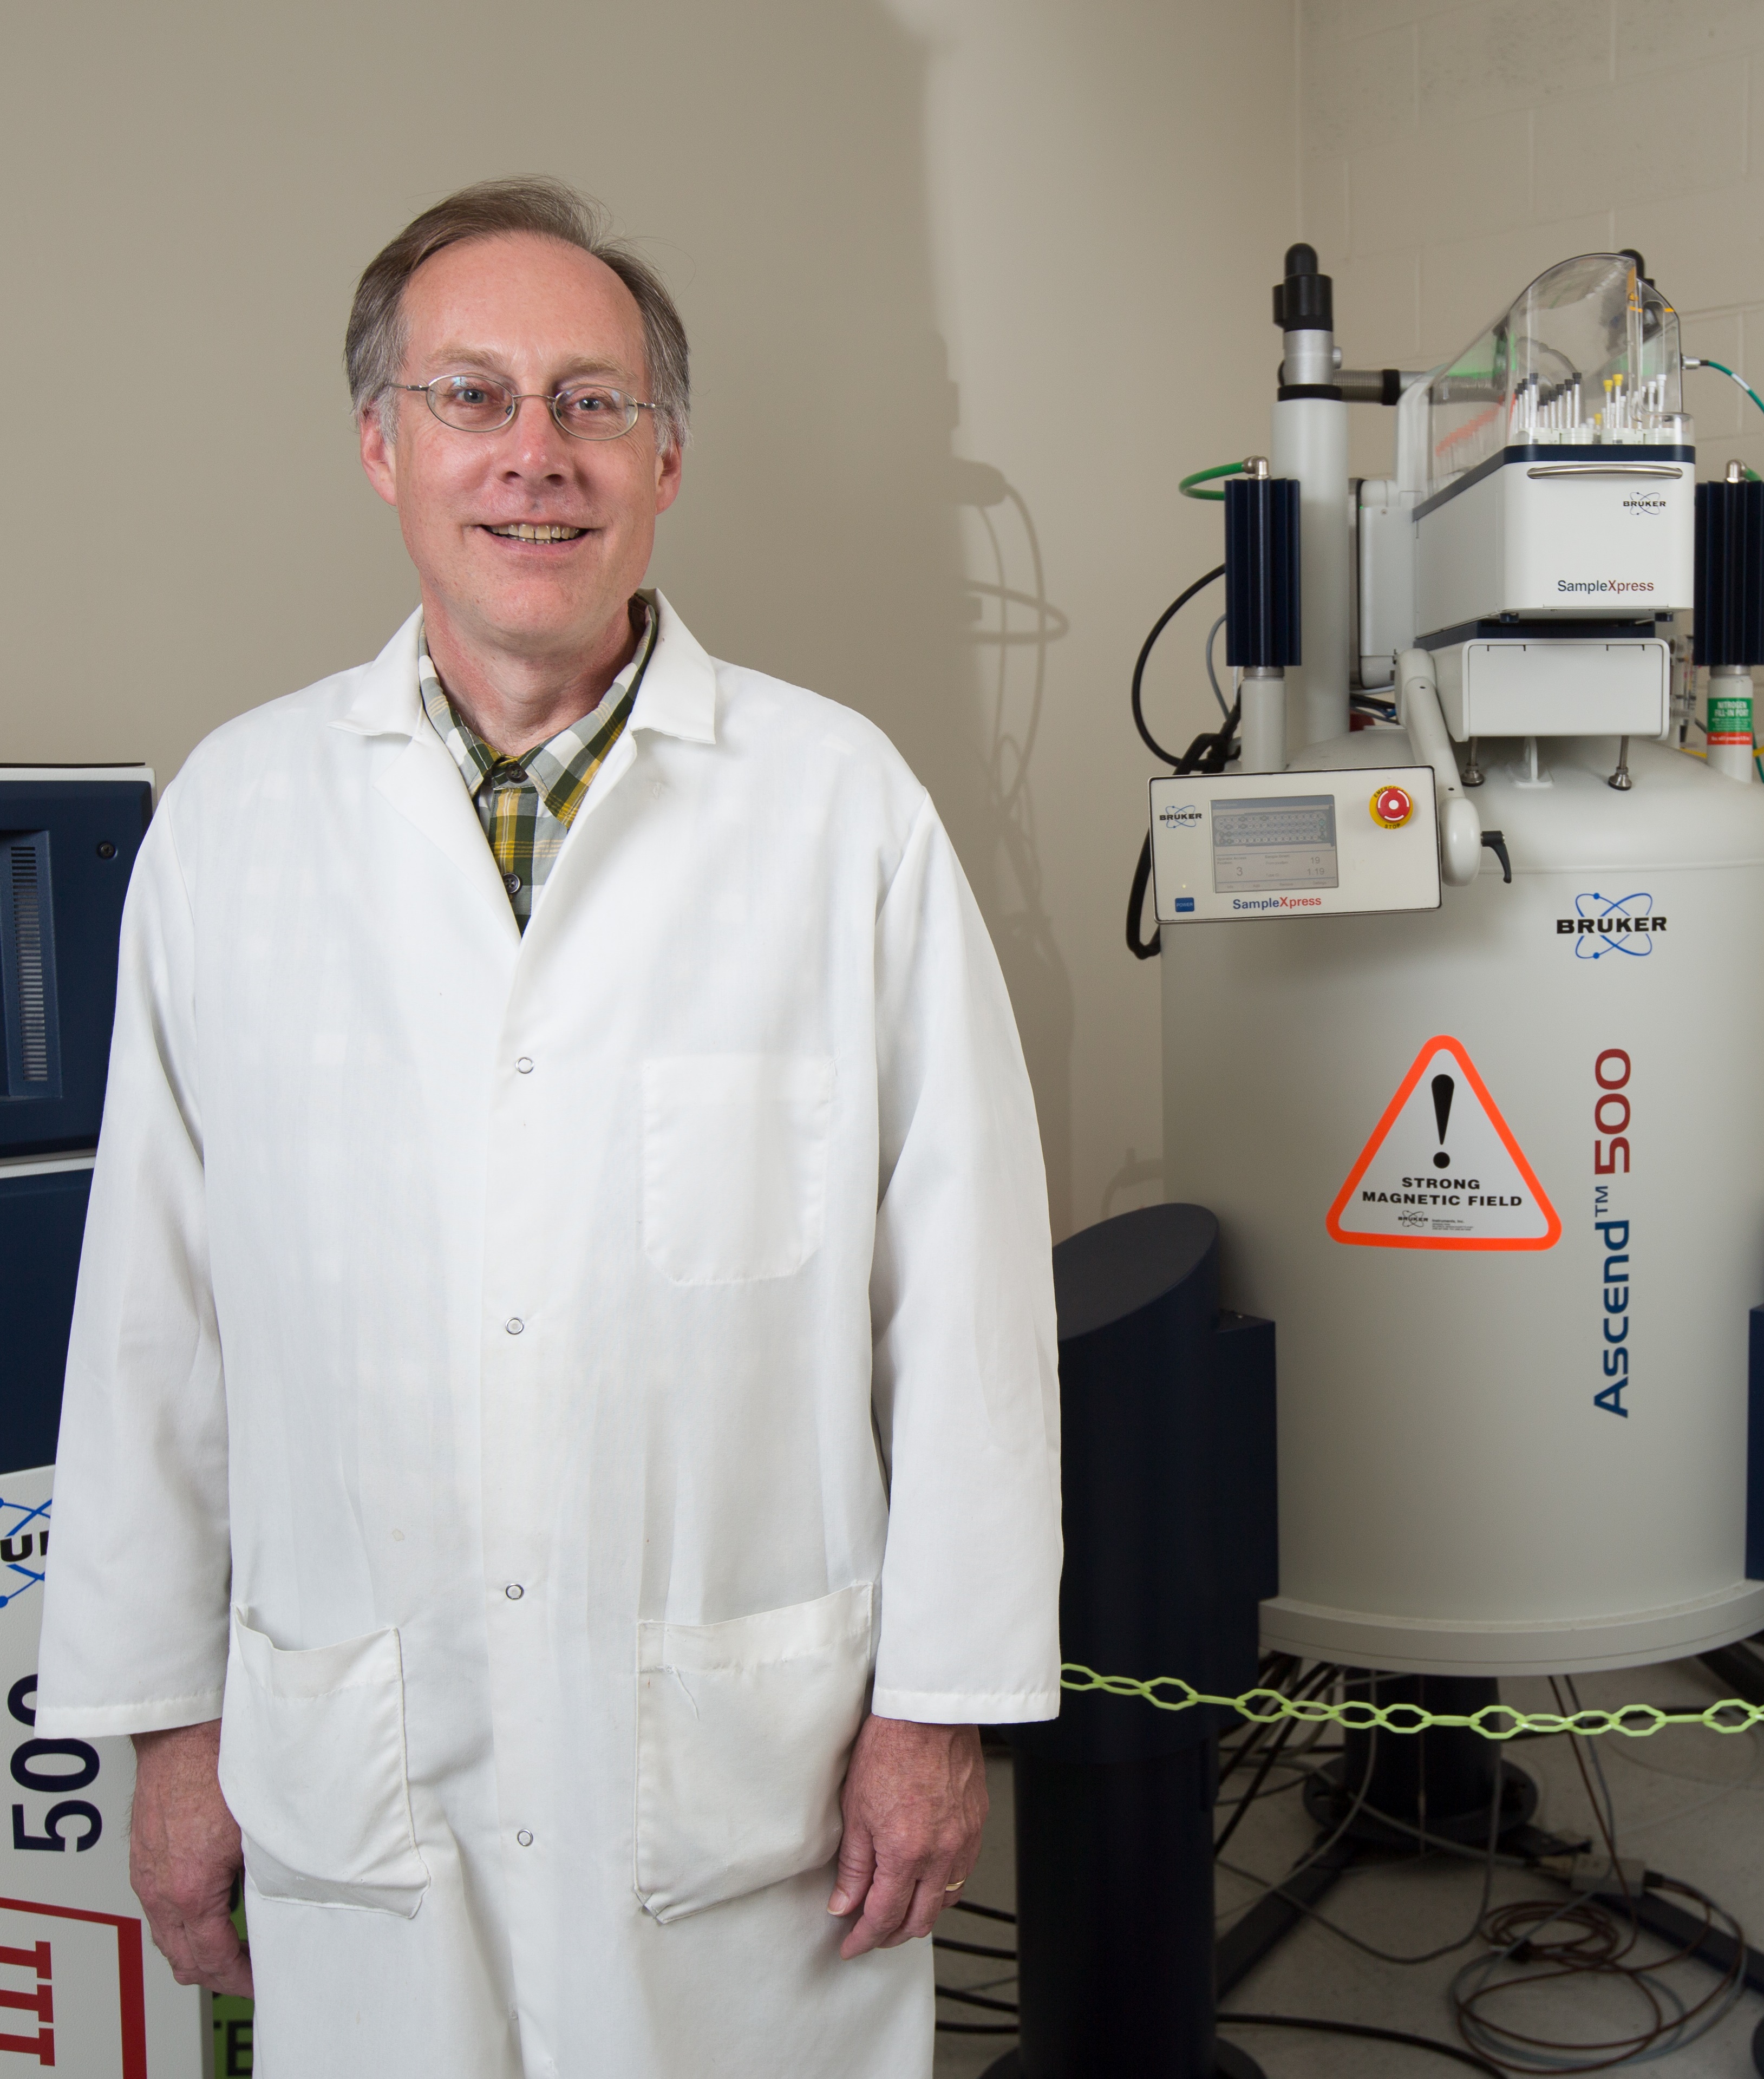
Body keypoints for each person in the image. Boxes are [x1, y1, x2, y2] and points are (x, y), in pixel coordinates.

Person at [35, 178, 1061, 2077]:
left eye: (592, 403)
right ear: (379, 443)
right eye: (471, 397)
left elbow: (971, 1316)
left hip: (737, 1796)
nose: (536, 458)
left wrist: (938, 1717)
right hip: (363, 1770)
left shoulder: (840, 813)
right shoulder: (236, 829)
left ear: (667, 458)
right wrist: (170, 1739)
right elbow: (151, 1333)